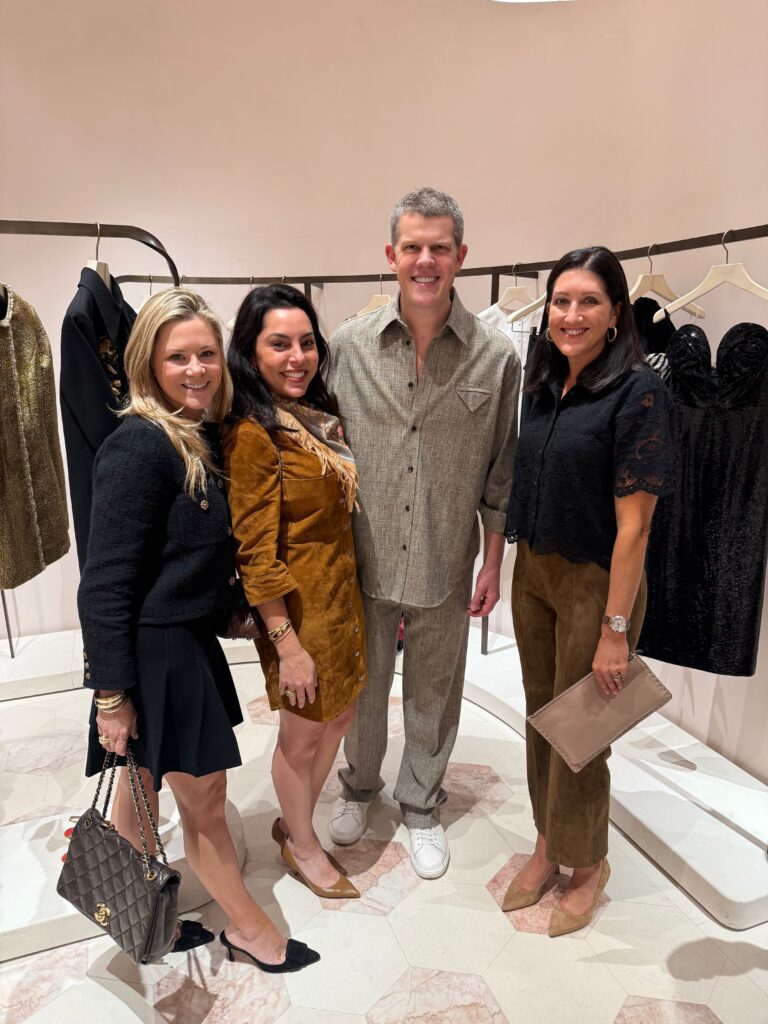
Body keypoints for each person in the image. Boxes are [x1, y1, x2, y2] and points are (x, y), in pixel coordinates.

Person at [78, 288, 319, 973]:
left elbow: (181, 560)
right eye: (177, 356)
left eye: (206, 354)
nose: (195, 369)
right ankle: (250, 931)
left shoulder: (194, 436)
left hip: (178, 642)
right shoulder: (139, 446)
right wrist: (111, 697)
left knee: (143, 786)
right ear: (147, 361)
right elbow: (104, 585)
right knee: (204, 804)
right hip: (154, 654)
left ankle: (134, 922)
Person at [326, 187, 521, 878]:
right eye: (412, 247)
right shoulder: (348, 347)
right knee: (365, 686)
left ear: (461, 256)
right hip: (364, 554)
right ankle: (358, 786)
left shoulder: (497, 358)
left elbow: (502, 471)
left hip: (446, 556)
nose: (426, 260)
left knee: (435, 688)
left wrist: (493, 562)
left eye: (439, 247)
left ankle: (421, 804)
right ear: (391, 256)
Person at [503, 246, 674, 936]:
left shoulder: (640, 392)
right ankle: (548, 843)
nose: (571, 315)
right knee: (542, 714)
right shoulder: (544, 385)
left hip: (596, 581)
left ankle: (589, 862)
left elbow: (634, 528)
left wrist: (615, 627)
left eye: (588, 302)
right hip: (534, 569)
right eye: (561, 301)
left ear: (616, 315)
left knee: (582, 730)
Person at [224, 284, 363, 900]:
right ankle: (301, 843)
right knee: (303, 732)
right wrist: (287, 644)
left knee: (341, 717)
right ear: (251, 354)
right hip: (298, 613)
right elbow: (254, 553)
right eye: (278, 344)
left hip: (341, 601)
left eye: (306, 342)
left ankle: (295, 818)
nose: (296, 357)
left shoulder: (313, 415)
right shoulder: (254, 434)